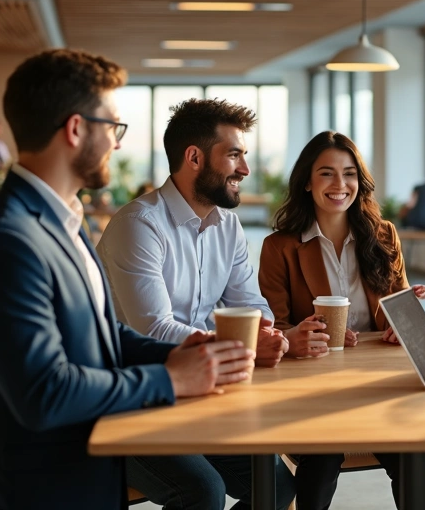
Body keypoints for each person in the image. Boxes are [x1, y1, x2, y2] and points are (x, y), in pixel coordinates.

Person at [0, 49, 257, 510]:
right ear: (75, 129)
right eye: (113, 126)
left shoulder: (60, 222)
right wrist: (169, 379)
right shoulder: (6, 241)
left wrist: (181, 351)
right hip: (39, 489)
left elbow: (97, 335)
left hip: (82, 471)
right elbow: (44, 393)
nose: (117, 142)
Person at [96, 98, 295, 509]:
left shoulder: (228, 225)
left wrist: (266, 332)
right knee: (203, 491)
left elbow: (251, 304)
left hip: (204, 394)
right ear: (194, 157)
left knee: (278, 485)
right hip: (133, 399)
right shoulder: (140, 225)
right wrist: (245, 346)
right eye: (234, 155)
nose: (245, 169)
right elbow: (155, 330)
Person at [258, 131, 425, 510]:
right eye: (327, 173)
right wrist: (301, 338)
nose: (340, 185)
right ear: (307, 181)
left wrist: (405, 320)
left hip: (377, 386)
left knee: (415, 456)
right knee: (321, 458)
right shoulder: (280, 248)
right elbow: (274, 330)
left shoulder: (384, 236)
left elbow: (401, 322)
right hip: (312, 390)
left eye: (349, 173)